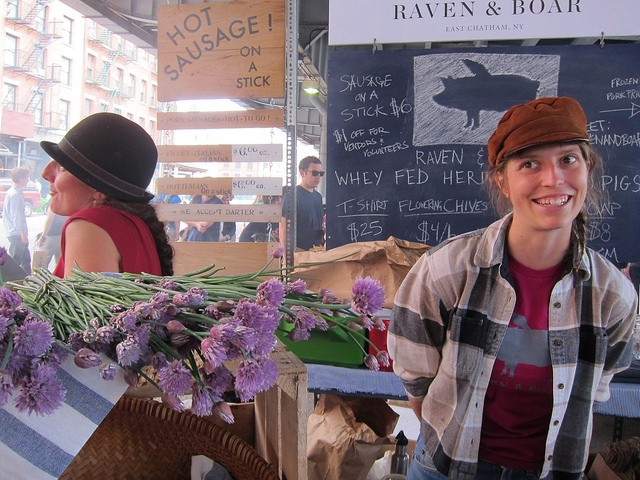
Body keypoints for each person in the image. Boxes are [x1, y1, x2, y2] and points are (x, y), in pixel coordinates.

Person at [388, 97, 637, 480]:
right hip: (444, 468)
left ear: (587, 168)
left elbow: (596, 390)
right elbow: (417, 380)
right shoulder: (446, 271)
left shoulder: (614, 296)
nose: (553, 179)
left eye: (568, 159)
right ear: (501, 179)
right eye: (530, 164)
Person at [40, 112, 173, 277]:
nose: (45, 174)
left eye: (62, 168)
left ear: (98, 190)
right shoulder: (134, 222)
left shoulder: (89, 225)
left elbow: (81, 303)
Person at [280, 156, 324, 251]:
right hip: (299, 252)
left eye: (321, 173)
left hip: (317, 251)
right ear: (302, 173)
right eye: (314, 173)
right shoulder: (292, 196)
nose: (318, 177)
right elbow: (284, 230)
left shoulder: (318, 197)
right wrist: (286, 258)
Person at [2, 167, 31, 273]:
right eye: (27, 177)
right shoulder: (14, 194)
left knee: (25, 260)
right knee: (16, 261)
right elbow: (17, 217)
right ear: (21, 179)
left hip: (16, 233)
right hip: (17, 234)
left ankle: (27, 282)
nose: (28, 180)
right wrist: (23, 234)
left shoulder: (14, 192)